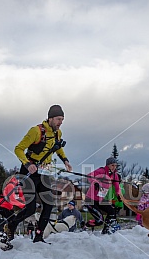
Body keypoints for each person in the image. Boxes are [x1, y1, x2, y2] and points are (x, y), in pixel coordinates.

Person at [8, 104, 72, 243]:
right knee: (30, 209)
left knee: (48, 205)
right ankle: (12, 224)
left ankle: (39, 235)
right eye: (58, 119)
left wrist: (65, 161)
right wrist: (27, 164)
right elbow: (18, 149)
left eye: (62, 119)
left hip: (44, 172)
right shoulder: (36, 131)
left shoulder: (57, 133)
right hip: (29, 171)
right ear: (50, 118)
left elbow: (58, 148)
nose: (61, 122)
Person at [85, 157, 122, 234]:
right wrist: (95, 182)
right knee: (99, 221)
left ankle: (106, 230)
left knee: (112, 212)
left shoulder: (115, 175)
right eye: (112, 165)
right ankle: (85, 225)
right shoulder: (101, 171)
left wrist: (118, 195)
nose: (114, 167)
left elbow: (117, 186)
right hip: (90, 199)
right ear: (108, 165)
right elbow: (89, 176)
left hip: (100, 200)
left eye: (115, 165)